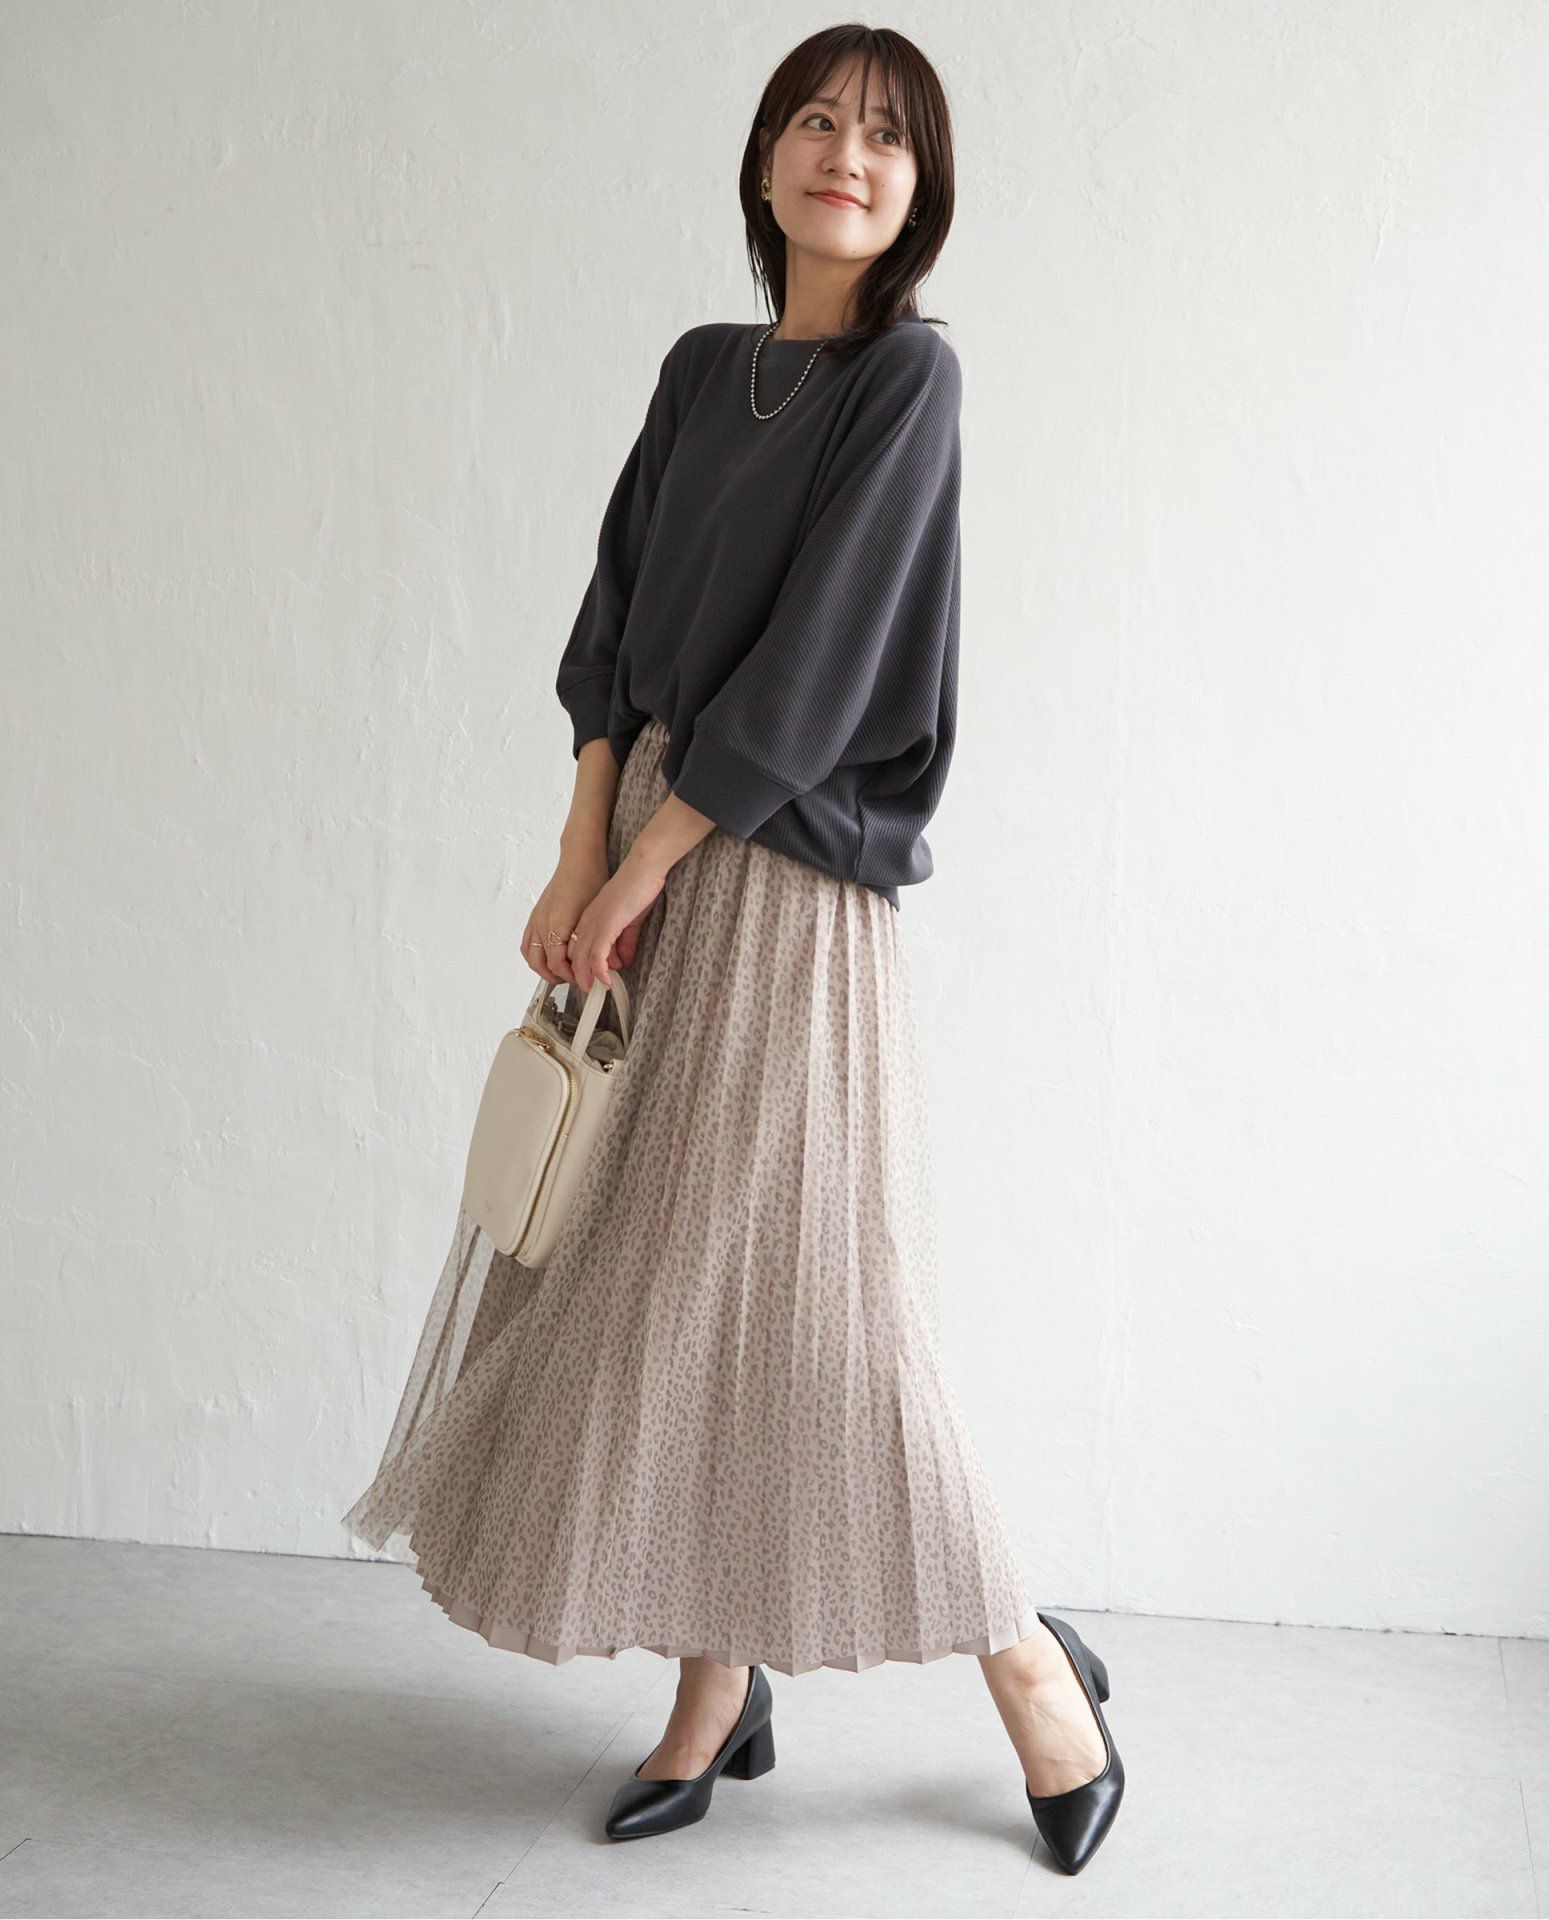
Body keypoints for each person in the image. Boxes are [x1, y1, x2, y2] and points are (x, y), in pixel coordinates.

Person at [340, 23, 1126, 1877]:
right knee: (656, 1286)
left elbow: (824, 666)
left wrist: (646, 864)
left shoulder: (908, 381)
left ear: (923, 191)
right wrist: (583, 849)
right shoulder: (705, 370)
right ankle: (718, 1685)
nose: (847, 151)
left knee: (825, 1315)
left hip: (780, 883)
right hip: (646, 848)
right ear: (767, 157)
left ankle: (1033, 1669)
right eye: (817, 120)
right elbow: (615, 626)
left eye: (887, 134)